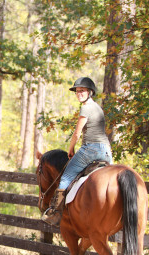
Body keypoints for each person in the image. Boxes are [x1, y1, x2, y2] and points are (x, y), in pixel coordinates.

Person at [42, 77, 113, 226]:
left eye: (82, 91)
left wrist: (71, 149)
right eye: (77, 91)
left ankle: (55, 214)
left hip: (90, 150)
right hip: (106, 151)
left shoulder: (86, 107)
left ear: (90, 92)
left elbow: (77, 133)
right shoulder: (98, 108)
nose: (79, 93)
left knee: (66, 177)